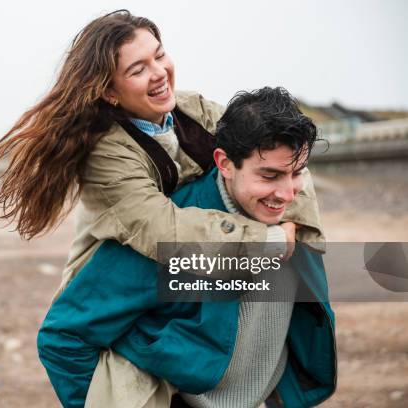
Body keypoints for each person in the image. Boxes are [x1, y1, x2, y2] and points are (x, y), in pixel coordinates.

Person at [0, 8, 325, 407]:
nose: (159, 72)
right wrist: (267, 239)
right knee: (121, 345)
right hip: (126, 264)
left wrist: (303, 235)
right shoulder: (106, 153)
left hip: (195, 254)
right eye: (138, 69)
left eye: (159, 55)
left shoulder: (193, 109)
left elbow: (279, 151)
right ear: (110, 91)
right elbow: (162, 231)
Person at [37, 87, 336, 408]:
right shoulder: (172, 237)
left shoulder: (294, 219)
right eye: (269, 176)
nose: (287, 194)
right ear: (224, 163)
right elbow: (63, 337)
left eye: (296, 173)